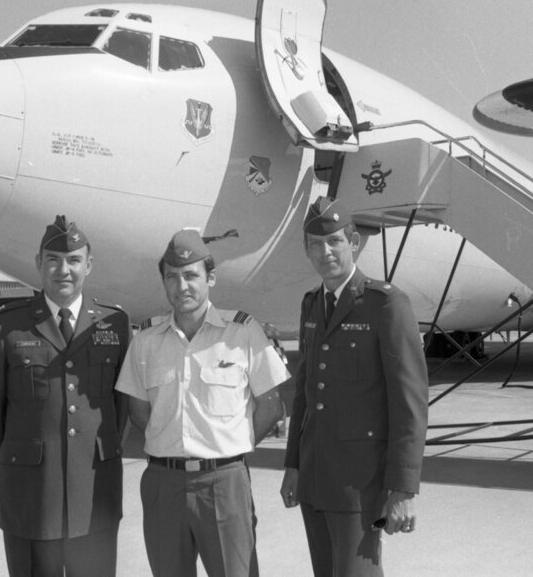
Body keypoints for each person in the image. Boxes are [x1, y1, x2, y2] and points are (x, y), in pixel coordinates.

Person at [115, 229, 290, 577]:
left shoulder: (241, 332)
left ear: (211, 278)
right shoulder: (146, 340)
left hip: (224, 483)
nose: (182, 286)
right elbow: (138, 411)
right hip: (164, 483)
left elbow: (270, 406)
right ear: (164, 281)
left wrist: (230, 445)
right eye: (172, 277)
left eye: (191, 275)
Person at [0, 215, 130, 577]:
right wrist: (14, 463)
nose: (64, 270)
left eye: (74, 260)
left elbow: (121, 408)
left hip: (94, 496)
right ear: (39, 263)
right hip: (30, 499)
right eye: (54, 259)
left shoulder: (115, 324)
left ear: (89, 265)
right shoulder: (8, 324)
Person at [280, 197, 429, 576]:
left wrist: (403, 489)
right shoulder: (312, 305)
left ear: (353, 243)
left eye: (333, 242)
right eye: (315, 244)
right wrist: (293, 465)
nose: (325, 251)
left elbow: (409, 405)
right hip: (315, 478)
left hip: (360, 485)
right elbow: (305, 394)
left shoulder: (385, 305)